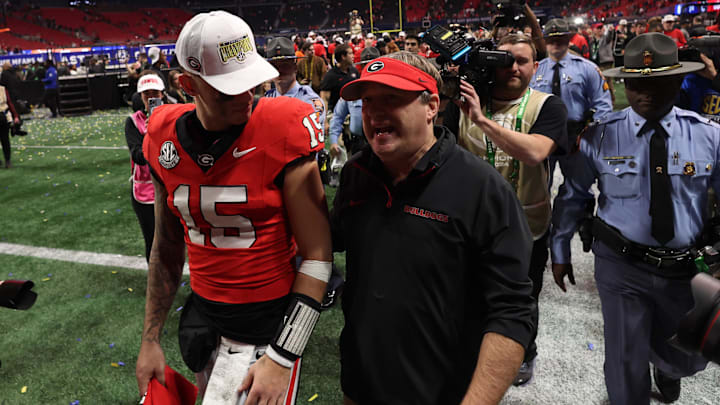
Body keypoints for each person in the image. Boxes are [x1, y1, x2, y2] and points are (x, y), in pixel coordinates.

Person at [135, 11, 332, 405]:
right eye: (228, 89)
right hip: (205, 317)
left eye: (250, 83)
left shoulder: (283, 127)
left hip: (270, 321)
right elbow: (167, 247)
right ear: (186, 84)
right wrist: (150, 339)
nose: (247, 97)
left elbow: (318, 258)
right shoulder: (162, 137)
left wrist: (282, 354)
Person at [332, 51, 535, 405]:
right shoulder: (356, 174)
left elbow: (513, 311)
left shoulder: (481, 188)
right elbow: (332, 243)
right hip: (360, 383)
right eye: (367, 102)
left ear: (431, 106)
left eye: (391, 99)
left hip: (443, 392)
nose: (375, 112)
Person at [551, 33, 715, 405]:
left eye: (658, 81)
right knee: (625, 361)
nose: (647, 92)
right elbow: (574, 196)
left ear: (678, 80)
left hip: (687, 270)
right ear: (624, 84)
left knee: (686, 359)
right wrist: (559, 248)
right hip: (621, 265)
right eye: (637, 83)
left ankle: (665, 365)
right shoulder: (598, 137)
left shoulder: (709, 137)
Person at [456, 33, 569, 387]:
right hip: (472, 225)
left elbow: (535, 152)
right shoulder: (462, 102)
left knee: (522, 299)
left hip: (527, 226)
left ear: (536, 67)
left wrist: (481, 120)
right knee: (470, 290)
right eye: (505, 60)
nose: (514, 68)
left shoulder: (547, 105)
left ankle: (524, 351)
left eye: (523, 61)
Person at [531, 18, 613, 188]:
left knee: (577, 188)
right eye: (551, 39)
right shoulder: (535, 70)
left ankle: (576, 214)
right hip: (542, 135)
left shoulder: (587, 68)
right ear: (545, 41)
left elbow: (603, 104)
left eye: (560, 38)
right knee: (539, 187)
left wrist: (592, 136)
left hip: (575, 136)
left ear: (569, 39)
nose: (555, 43)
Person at [124, 72, 172, 262]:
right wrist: (151, 131)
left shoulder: (173, 116)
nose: (152, 98)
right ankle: (158, 285)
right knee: (153, 241)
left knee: (178, 238)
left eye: (155, 93)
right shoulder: (134, 121)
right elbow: (138, 156)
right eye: (147, 94)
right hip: (145, 189)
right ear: (140, 97)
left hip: (172, 186)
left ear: (163, 94)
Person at [265, 37, 326, 134]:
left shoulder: (310, 99)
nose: (280, 71)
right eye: (274, 66)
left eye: (285, 65)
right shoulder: (267, 98)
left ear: (295, 67)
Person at [328, 46, 379, 158]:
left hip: (383, 141)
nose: (369, 69)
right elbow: (338, 116)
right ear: (361, 66)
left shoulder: (388, 90)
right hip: (358, 144)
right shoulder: (354, 90)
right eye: (366, 65)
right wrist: (334, 140)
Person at [0, 81, 19, 168]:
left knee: (5, 139)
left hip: (3, 116)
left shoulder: (3, 89)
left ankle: (8, 160)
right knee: (5, 139)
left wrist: (15, 116)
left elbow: (9, 102)